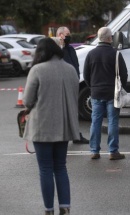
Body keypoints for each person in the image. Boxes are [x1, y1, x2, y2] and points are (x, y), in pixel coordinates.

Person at [23, 38, 80, 215]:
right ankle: (65, 207)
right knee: (61, 167)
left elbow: (27, 100)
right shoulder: (70, 69)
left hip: (42, 126)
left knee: (45, 168)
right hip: (64, 125)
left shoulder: (37, 70)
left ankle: (49, 209)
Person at [83, 27, 128, 160]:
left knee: (95, 121)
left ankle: (94, 151)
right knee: (113, 121)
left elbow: (86, 74)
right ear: (109, 38)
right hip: (112, 93)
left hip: (96, 92)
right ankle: (113, 151)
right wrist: (121, 88)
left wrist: (92, 87)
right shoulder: (116, 54)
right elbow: (123, 75)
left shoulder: (91, 54)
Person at [56, 26, 89, 144]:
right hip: (61, 85)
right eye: (67, 34)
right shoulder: (56, 49)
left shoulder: (70, 49)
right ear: (60, 35)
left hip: (72, 83)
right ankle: (61, 136)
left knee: (73, 111)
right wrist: (60, 45)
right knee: (62, 112)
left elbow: (75, 65)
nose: (69, 36)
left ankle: (76, 135)